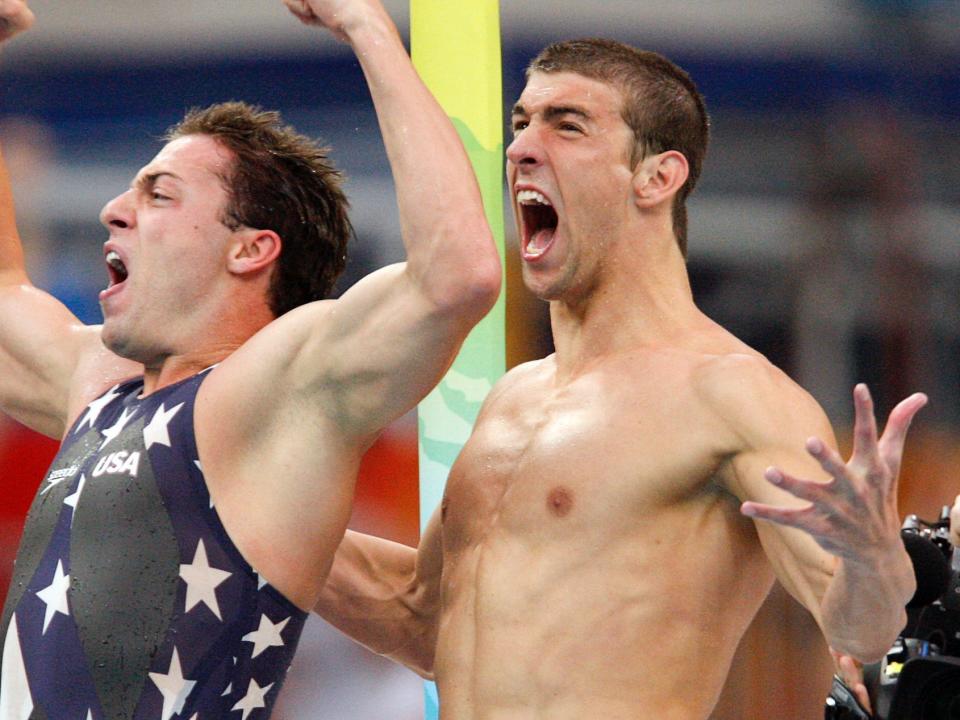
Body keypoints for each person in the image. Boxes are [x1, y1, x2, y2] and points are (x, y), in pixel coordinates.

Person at [314, 39, 925, 719]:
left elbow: (861, 628)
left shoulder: (732, 396)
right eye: (520, 125)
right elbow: (421, 617)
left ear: (657, 177)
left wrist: (874, 560)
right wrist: (231, 513)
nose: (520, 149)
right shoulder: (513, 398)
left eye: (566, 125)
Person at [0, 0, 501, 717]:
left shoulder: (276, 390)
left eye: (158, 194)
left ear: (250, 248)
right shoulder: (101, 389)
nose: (113, 209)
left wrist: (366, 25)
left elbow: (457, 276)